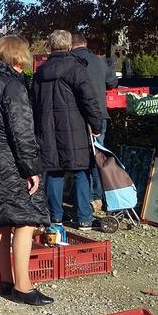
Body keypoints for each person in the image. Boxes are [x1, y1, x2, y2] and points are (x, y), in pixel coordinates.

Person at [0, 36, 53, 306]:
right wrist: (31, 168)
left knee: (1, 222)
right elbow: (22, 132)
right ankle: (23, 286)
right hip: (9, 163)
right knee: (25, 221)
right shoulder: (13, 86)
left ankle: (6, 281)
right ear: (20, 56)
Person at [32, 30, 103, 230]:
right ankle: (84, 218)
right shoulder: (76, 69)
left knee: (54, 172)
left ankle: (55, 217)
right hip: (75, 129)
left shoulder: (40, 73)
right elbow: (89, 100)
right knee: (81, 171)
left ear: (50, 46)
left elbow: (33, 103)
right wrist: (96, 125)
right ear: (70, 46)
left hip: (46, 129)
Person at [71, 34, 118, 210]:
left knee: (81, 159)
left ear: (71, 46)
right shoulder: (99, 61)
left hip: (78, 116)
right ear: (86, 44)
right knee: (99, 156)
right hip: (100, 114)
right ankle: (97, 196)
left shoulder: (72, 61)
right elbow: (112, 83)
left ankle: (83, 199)